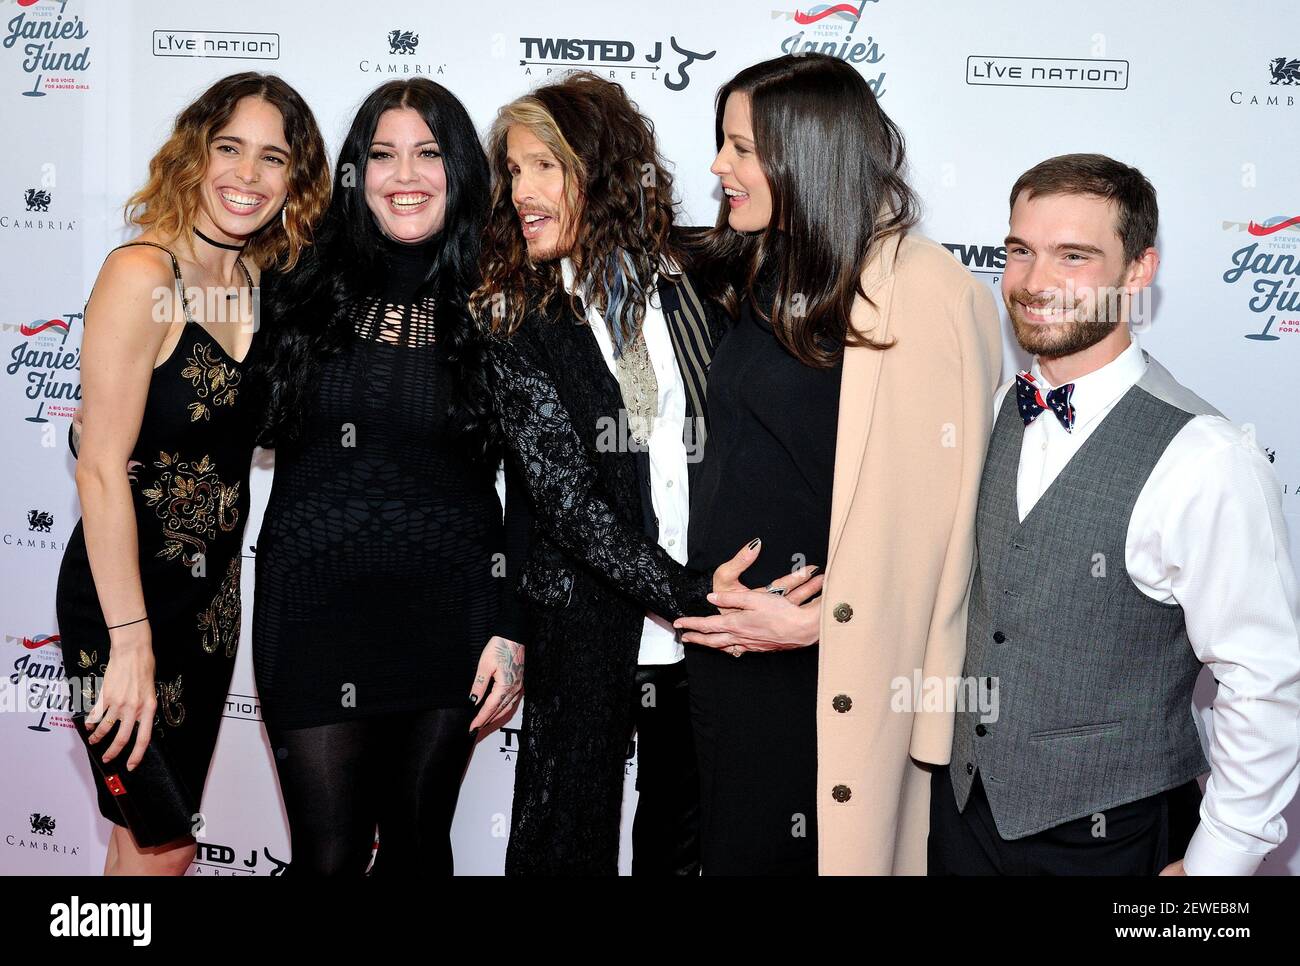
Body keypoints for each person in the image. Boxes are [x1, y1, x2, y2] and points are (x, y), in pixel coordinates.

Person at [475, 72, 818, 875]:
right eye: (513, 171)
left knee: (690, 839)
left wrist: (724, 598)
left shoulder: (706, 279)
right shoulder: (519, 320)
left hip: (712, 638)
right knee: (565, 838)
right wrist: (696, 596)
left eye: (544, 166)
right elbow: (568, 506)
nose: (522, 190)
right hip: (596, 624)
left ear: (600, 169)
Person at [673, 53, 1002, 874]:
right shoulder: (761, 266)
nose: (719, 167)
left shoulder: (922, 288)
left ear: (805, 153)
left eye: (741, 148)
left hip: (831, 678)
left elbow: (952, 525)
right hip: (736, 662)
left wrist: (821, 624)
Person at [928, 153, 1300, 876]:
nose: (1035, 284)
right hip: (965, 817)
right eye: (1020, 252)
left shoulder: (1206, 455)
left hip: (1113, 839)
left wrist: (1215, 863)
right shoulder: (1000, 405)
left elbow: (1266, 679)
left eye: (1074, 257)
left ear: (1137, 271)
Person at [251, 78, 529, 876]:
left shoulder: (504, 297)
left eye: (429, 153)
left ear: (461, 169)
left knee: (415, 850)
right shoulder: (295, 281)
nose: (405, 175)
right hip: (310, 610)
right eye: (382, 155)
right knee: (327, 860)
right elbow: (218, 401)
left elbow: (534, 489)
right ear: (355, 172)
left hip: (449, 613)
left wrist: (510, 627)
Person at [56, 72, 330, 875]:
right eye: (229, 149)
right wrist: (129, 642)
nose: (247, 177)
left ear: (295, 181)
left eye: (273, 159)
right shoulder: (143, 276)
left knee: (138, 841)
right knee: (167, 847)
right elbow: (100, 469)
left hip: (208, 616)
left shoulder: (259, 283)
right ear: (193, 153)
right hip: (122, 607)